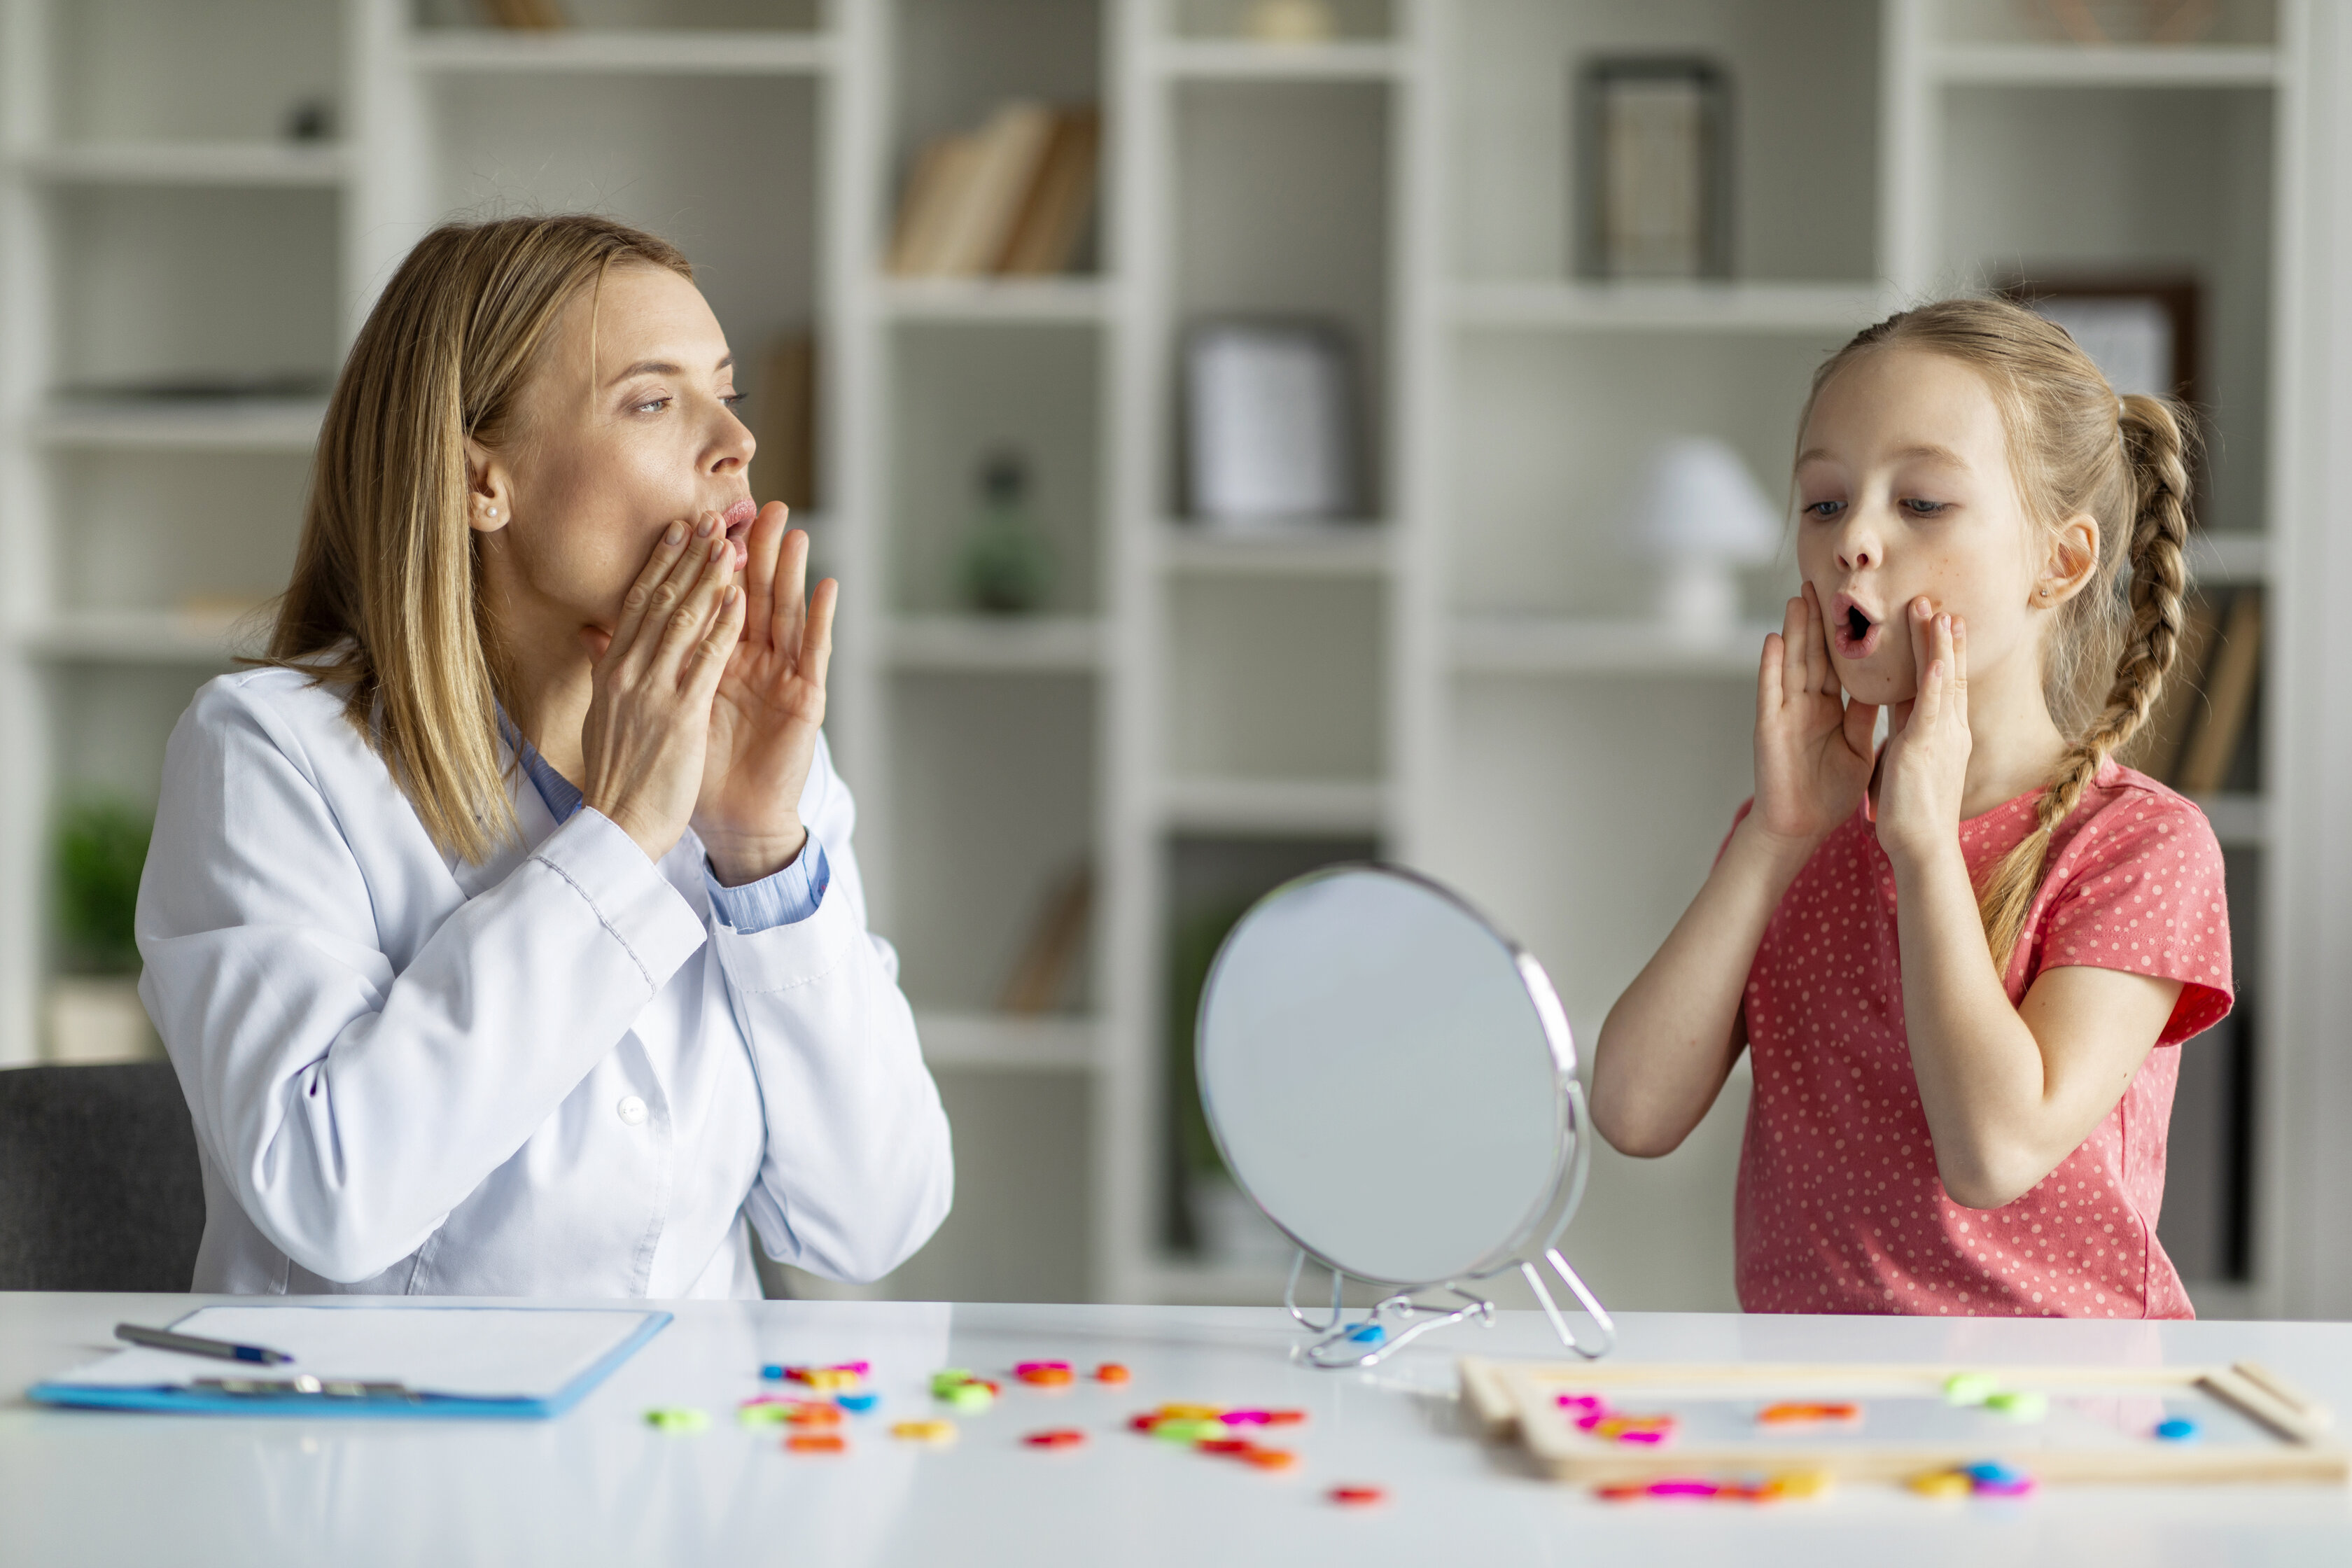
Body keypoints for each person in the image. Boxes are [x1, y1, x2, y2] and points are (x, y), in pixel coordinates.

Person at [137, 214, 952, 1296]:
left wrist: (762, 852)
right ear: (485, 482)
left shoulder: (755, 767)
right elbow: (331, 1196)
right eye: (655, 401)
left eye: (728, 393)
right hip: (376, 1455)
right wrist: (619, 840)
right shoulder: (268, 754)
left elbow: (877, 1220)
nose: (736, 444)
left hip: (692, 1456)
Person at [1591, 298, 2231, 1318]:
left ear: (2060, 564)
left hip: (2065, 1417)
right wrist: (1771, 840)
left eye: (1922, 504)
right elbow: (1631, 1111)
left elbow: (1994, 1151)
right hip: (1818, 1407)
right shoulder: (1796, 832)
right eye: (1825, 503)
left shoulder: (2140, 846)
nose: (1856, 542)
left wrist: (1927, 849)